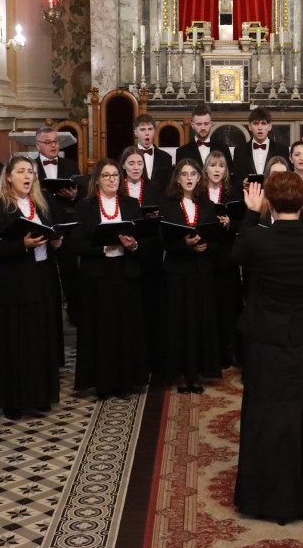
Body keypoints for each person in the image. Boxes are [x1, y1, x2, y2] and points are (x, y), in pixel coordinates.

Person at [232, 173, 303, 523]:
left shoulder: (255, 239)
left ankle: (265, 495)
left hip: (267, 339)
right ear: (302, 201)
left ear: (268, 201)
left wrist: (251, 213)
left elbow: (235, 253)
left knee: (266, 415)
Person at [0, 155, 62, 419]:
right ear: (8, 176)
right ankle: (13, 400)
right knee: (14, 342)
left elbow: (51, 234)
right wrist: (21, 246)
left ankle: (40, 395)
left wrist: (56, 243)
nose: (28, 176)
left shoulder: (41, 204)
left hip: (41, 278)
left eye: (31, 172)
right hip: (12, 284)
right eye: (22, 171)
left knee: (41, 339)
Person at [70, 158, 147, 398]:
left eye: (115, 175)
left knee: (126, 326)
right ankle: (102, 383)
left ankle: (127, 382)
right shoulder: (85, 206)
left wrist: (134, 244)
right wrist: (103, 248)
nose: (112, 179)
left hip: (126, 273)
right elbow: (76, 243)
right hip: (97, 276)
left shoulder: (132, 204)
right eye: (107, 175)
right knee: (101, 328)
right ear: (97, 180)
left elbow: (146, 239)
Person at [160, 160, 224, 393]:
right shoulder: (167, 205)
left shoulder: (207, 205)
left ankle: (195, 373)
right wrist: (185, 245)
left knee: (199, 321)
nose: (189, 178)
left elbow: (216, 239)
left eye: (193, 174)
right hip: (177, 271)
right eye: (184, 174)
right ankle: (179, 373)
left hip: (201, 271)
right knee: (178, 323)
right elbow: (163, 240)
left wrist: (205, 246)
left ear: (199, 178)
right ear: (177, 178)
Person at [121, 146, 166, 371]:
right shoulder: (117, 188)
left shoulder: (155, 187)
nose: (136, 167)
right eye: (131, 163)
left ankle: (152, 356)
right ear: (123, 166)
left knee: (151, 304)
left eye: (139, 163)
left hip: (150, 251)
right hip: (125, 253)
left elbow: (164, 217)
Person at [199, 150, 244, 367]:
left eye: (221, 166)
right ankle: (209, 354)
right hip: (204, 255)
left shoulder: (233, 193)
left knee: (228, 307)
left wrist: (229, 223)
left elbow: (243, 223)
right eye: (213, 166)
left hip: (226, 256)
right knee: (208, 307)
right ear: (205, 169)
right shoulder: (198, 193)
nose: (217, 170)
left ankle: (229, 353)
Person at [35, 126, 80, 336]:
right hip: (41, 228)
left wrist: (72, 195)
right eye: (48, 142)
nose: (53, 145)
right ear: (38, 145)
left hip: (67, 226)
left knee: (71, 273)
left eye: (55, 141)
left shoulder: (70, 164)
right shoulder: (31, 167)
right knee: (46, 276)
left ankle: (75, 314)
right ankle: (48, 317)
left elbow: (81, 195)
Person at [231, 107, 287, 183]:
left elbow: (288, 176)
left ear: (270, 127)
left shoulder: (282, 149)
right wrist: (242, 183)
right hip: (248, 193)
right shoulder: (240, 151)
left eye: (263, 123)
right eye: (256, 124)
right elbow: (235, 179)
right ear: (250, 127)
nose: (260, 128)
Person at [175, 104, 232, 169]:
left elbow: (228, 176)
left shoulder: (223, 149)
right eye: (199, 124)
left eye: (206, 124)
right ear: (192, 125)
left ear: (211, 124)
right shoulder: (182, 152)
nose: (203, 128)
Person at [133, 114, 173, 189]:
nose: (147, 133)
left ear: (154, 131)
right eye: (142, 129)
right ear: (136, 133)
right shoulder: (127, 156)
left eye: (150, 129)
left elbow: (168, 187)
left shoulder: (166, 158)